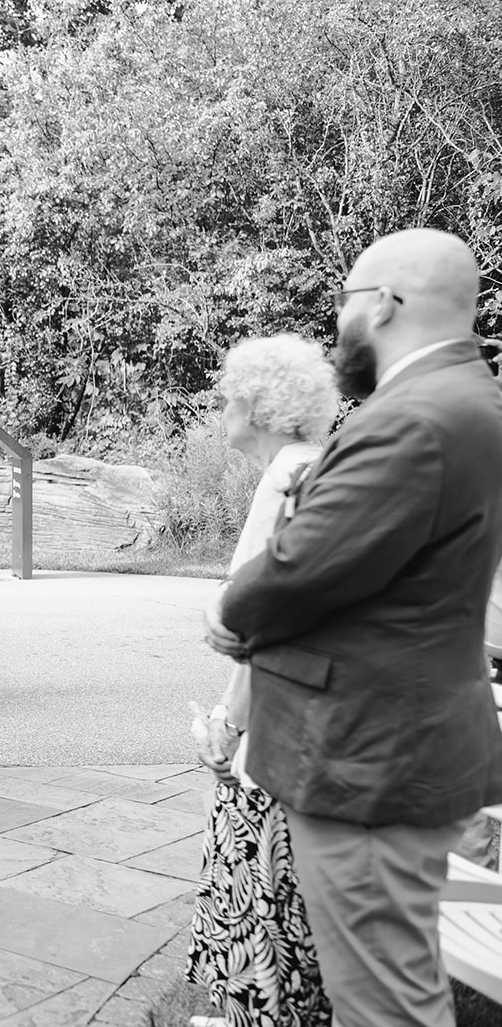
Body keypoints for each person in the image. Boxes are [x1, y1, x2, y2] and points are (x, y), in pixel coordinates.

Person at [205, 228, 502, 1027]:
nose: (339, 323)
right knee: (391, 986)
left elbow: (302, 566)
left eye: (345, 302)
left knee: (383, 1004)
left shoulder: (415, 418)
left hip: (371, 756)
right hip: (403, 743)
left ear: (384, 304)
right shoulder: (466, 400)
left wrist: (225, 613)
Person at [186, 335, 336, 1027]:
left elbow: (262, 620)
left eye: (229, 398)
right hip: (308, 707)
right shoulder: (315, 465)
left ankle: (259, 1014)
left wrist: (228, 722)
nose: (222, 408)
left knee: (257, 866)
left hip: (278, 712)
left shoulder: (286, 479)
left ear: (259, 407)